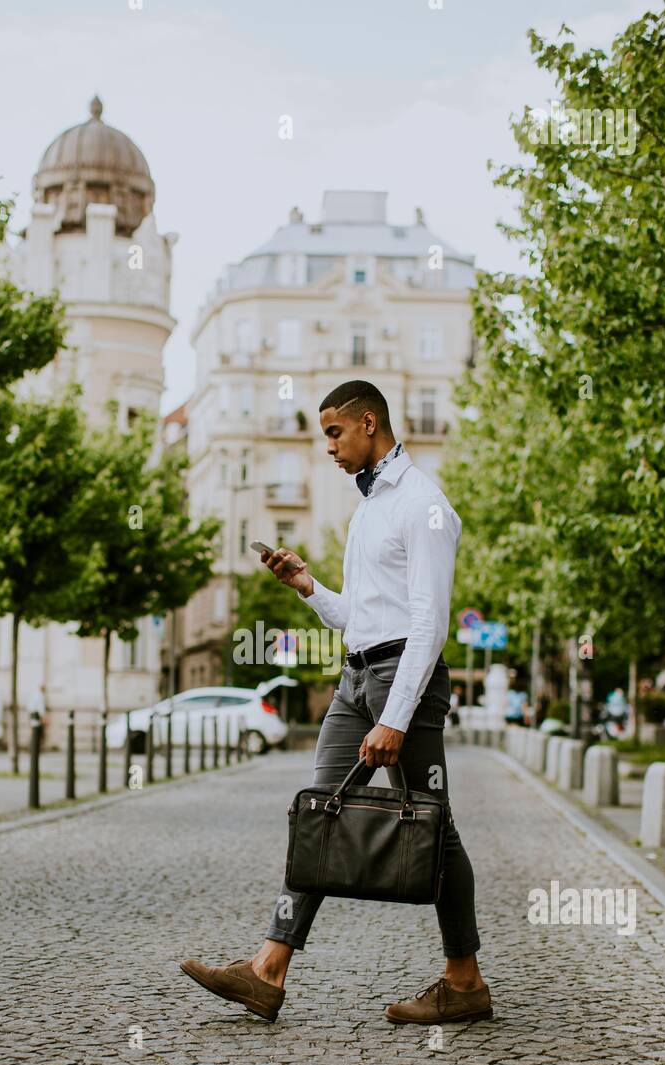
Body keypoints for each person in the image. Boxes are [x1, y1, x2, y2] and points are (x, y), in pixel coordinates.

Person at [181, 381, 491, 1027]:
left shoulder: (424, 505)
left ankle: (464, 981)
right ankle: (268, 970)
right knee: (317, 815)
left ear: (368, 423)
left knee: (434, 825)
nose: (327, 447)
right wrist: (307, 586)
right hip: (355, 679)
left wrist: (395, 719)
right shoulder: (368, 507)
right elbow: (361, 615)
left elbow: (429, 624)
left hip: (405, 682)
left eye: (333, 433)